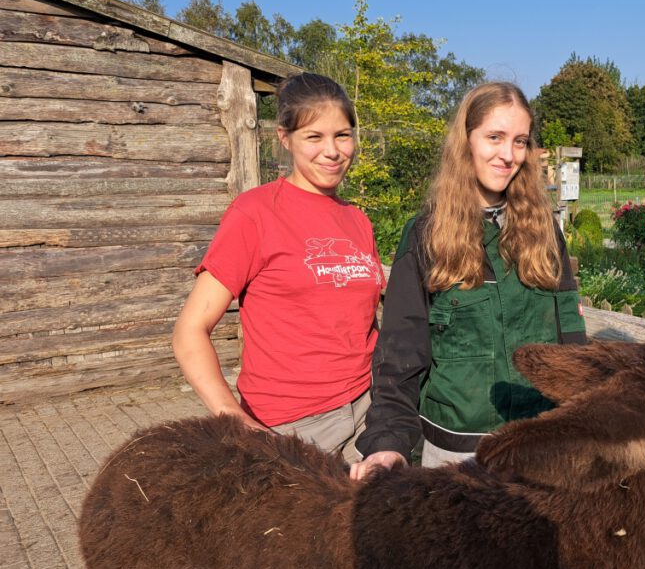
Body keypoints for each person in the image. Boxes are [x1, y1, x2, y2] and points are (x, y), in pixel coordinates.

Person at [349, 81, 587, 478]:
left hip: (539, 442)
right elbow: (400, 356)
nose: (508, 155)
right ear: (466, 141)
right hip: (455, 454)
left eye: (520, 141)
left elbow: (573, 340)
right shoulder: (426, 235)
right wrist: (388, 444)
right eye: (495, 137)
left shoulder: (544, 229)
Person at [172, 73, 384, 463]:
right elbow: (189, 332)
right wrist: (234, 420)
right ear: (284, 138)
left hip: (369, 412)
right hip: (292, 428)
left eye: (343, 135)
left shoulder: (357, 220)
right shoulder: (255, 213)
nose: (333, 150)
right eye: (314, 136)